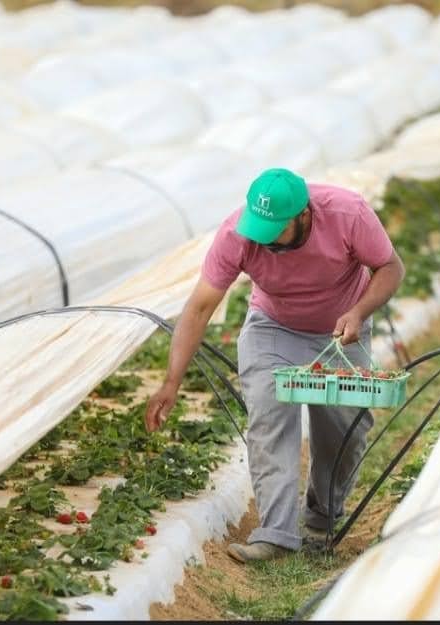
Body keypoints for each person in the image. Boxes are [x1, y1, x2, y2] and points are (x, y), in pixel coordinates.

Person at [145, 168, 405, 562]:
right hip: (273, 329)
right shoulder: (238, 234)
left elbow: (391, 268)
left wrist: (359, 311)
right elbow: (199, 309)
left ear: (303, 215)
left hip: (341, 331)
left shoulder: (347, 214)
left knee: (344, 429)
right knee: (269, 418)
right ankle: (275, 534)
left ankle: (322, 516)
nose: (262, 238)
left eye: (274, 229)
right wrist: (171, 381)